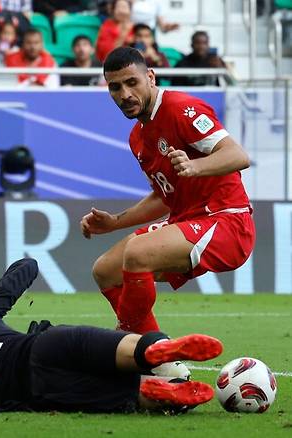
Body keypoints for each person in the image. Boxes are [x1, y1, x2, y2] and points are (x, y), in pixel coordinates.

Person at [79, 47, 253, 377]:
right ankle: (164, 368)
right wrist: (114, 223)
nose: (125, 94)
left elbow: (238, 155)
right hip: (187, 220)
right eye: (115, 87)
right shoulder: (138, 137)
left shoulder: (180, 108)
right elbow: (164, 198)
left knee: (138, 253)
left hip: (226, 220)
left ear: (150, 77)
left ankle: (131, 350)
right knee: (105, 270)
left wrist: (195, 165)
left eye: (132, 82)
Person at [0, 258, 222, 413]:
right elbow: (27, 267)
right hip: (46, 345)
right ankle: (152, 350)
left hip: (41, 390)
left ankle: (156, 393)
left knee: (127, 395)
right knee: (126, 347)